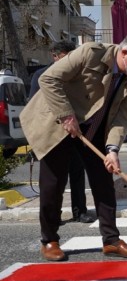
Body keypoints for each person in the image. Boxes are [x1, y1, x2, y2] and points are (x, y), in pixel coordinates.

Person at [21, 30, 127, 262]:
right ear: (124, 53)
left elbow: (121, 118)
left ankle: (111, 241)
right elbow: (48, 79)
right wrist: (66, 115)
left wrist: (113, 149)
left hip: (94, 131)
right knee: (53, 184)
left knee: (104, 181)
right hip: (59, 125)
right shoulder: (90, 53)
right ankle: (50, 240)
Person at [29, 40, 95, 224]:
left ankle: (80, 211)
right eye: (66, 57)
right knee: (53, 180)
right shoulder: (41, 75)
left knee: (77, 172)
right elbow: (34, 107)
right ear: (55, 56)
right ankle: (53, 216)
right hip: (52, 133)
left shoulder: (76, 75)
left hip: (75, 131)